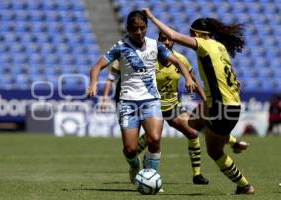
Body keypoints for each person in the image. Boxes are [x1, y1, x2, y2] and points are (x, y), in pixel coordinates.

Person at [102, 30, 249, 186]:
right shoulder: (148, 56)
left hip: (172, 107)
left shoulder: (180, 59)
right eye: (162, 39)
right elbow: (114, 76)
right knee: (135, 149)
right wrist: (106, 97)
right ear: (157, 40)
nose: (165, 42)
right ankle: (137, 166)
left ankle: (197, 174)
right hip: (151, 105)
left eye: (168, 39)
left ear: (173, 42)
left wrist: (205, 99)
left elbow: (194, 80)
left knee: (193, 132)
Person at [141, 8, 254, 194]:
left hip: (221, 108)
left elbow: (172, 35)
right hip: (229, 104)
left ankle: (244, 185)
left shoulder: (204, 44)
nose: (191, 37)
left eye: (192, 34)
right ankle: (232, 142)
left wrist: (151, 16)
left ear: (198, 34)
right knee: (194, 123)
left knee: (213, 151)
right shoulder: (220, 47)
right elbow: (232, 76)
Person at [87, 10, 196, 185]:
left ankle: (151, 178)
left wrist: (189, 78)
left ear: (146, 28)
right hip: (128, 103)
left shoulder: (156, 45)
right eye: (135, 29)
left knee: (154, 139)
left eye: (142, 28)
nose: (139, 33)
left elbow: (179, 63)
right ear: (128, 29)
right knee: (130, 150)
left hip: (151, 101)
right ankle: (134, 166)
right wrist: (93, 83)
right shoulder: (120, 47)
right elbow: (96, 67)